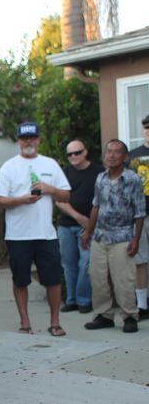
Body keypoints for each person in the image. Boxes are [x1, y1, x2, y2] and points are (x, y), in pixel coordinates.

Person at [0, 121, 71, 336]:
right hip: (18, 236)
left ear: (38, 140)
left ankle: (55, 323)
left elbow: (65, 195)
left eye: (32, 137)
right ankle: (25, 323)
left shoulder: (50, 164)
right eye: (24, 138)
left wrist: (49, 189)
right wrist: (21, 200)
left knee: (53, 280)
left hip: (46, 234)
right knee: (20, 280)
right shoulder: (9, 167)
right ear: (18, 141)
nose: (28, 142)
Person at [82, 139, 145, 333]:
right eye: (108, 151)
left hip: (123, 236)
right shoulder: (100, 178)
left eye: (117, 152)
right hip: (100, 236)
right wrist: (88, 231)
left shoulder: (133, 179)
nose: (111, 155)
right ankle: (103, 315)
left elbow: (139, 212)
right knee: (98, 278)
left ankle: (129, 316)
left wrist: (136, 239)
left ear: (125, 157)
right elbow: (96, 206)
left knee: (123, 280)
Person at [55, 139, 103, 314]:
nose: (73, 156)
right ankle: (71, 300)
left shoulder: (99, 172)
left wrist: (89, 224)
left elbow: (102, 200)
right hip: (66, 225)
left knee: (86, 263)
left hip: (90, 226)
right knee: (69, 264)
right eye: (70, 154)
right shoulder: (64, 173)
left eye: (77, 152)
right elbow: (58, 200)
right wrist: (78, 217)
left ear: (85, 152)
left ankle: (84, 300)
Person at [127, 114, 149, 319]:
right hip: (139, 216)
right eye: (147, 128)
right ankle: (142, 305)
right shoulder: (133, 156)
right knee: (140, 259)